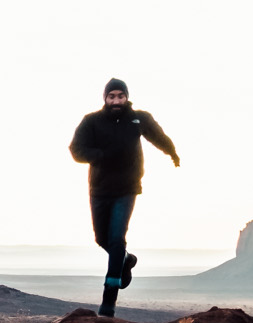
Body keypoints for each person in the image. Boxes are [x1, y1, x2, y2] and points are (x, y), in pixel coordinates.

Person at [68, 78, 178, 289]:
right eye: (112, 96)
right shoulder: (91, 121)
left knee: (117, 238)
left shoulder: (138, 118)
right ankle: (126, 260)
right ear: (105, 98)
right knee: (102, 238)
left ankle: (109, 298)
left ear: (127, 97)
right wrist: (101, 155)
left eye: (121, 96)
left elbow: (158, 136)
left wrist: (172, 152)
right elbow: (76, 149)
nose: (116, 100)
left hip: (128, 187)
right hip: (99, 188)